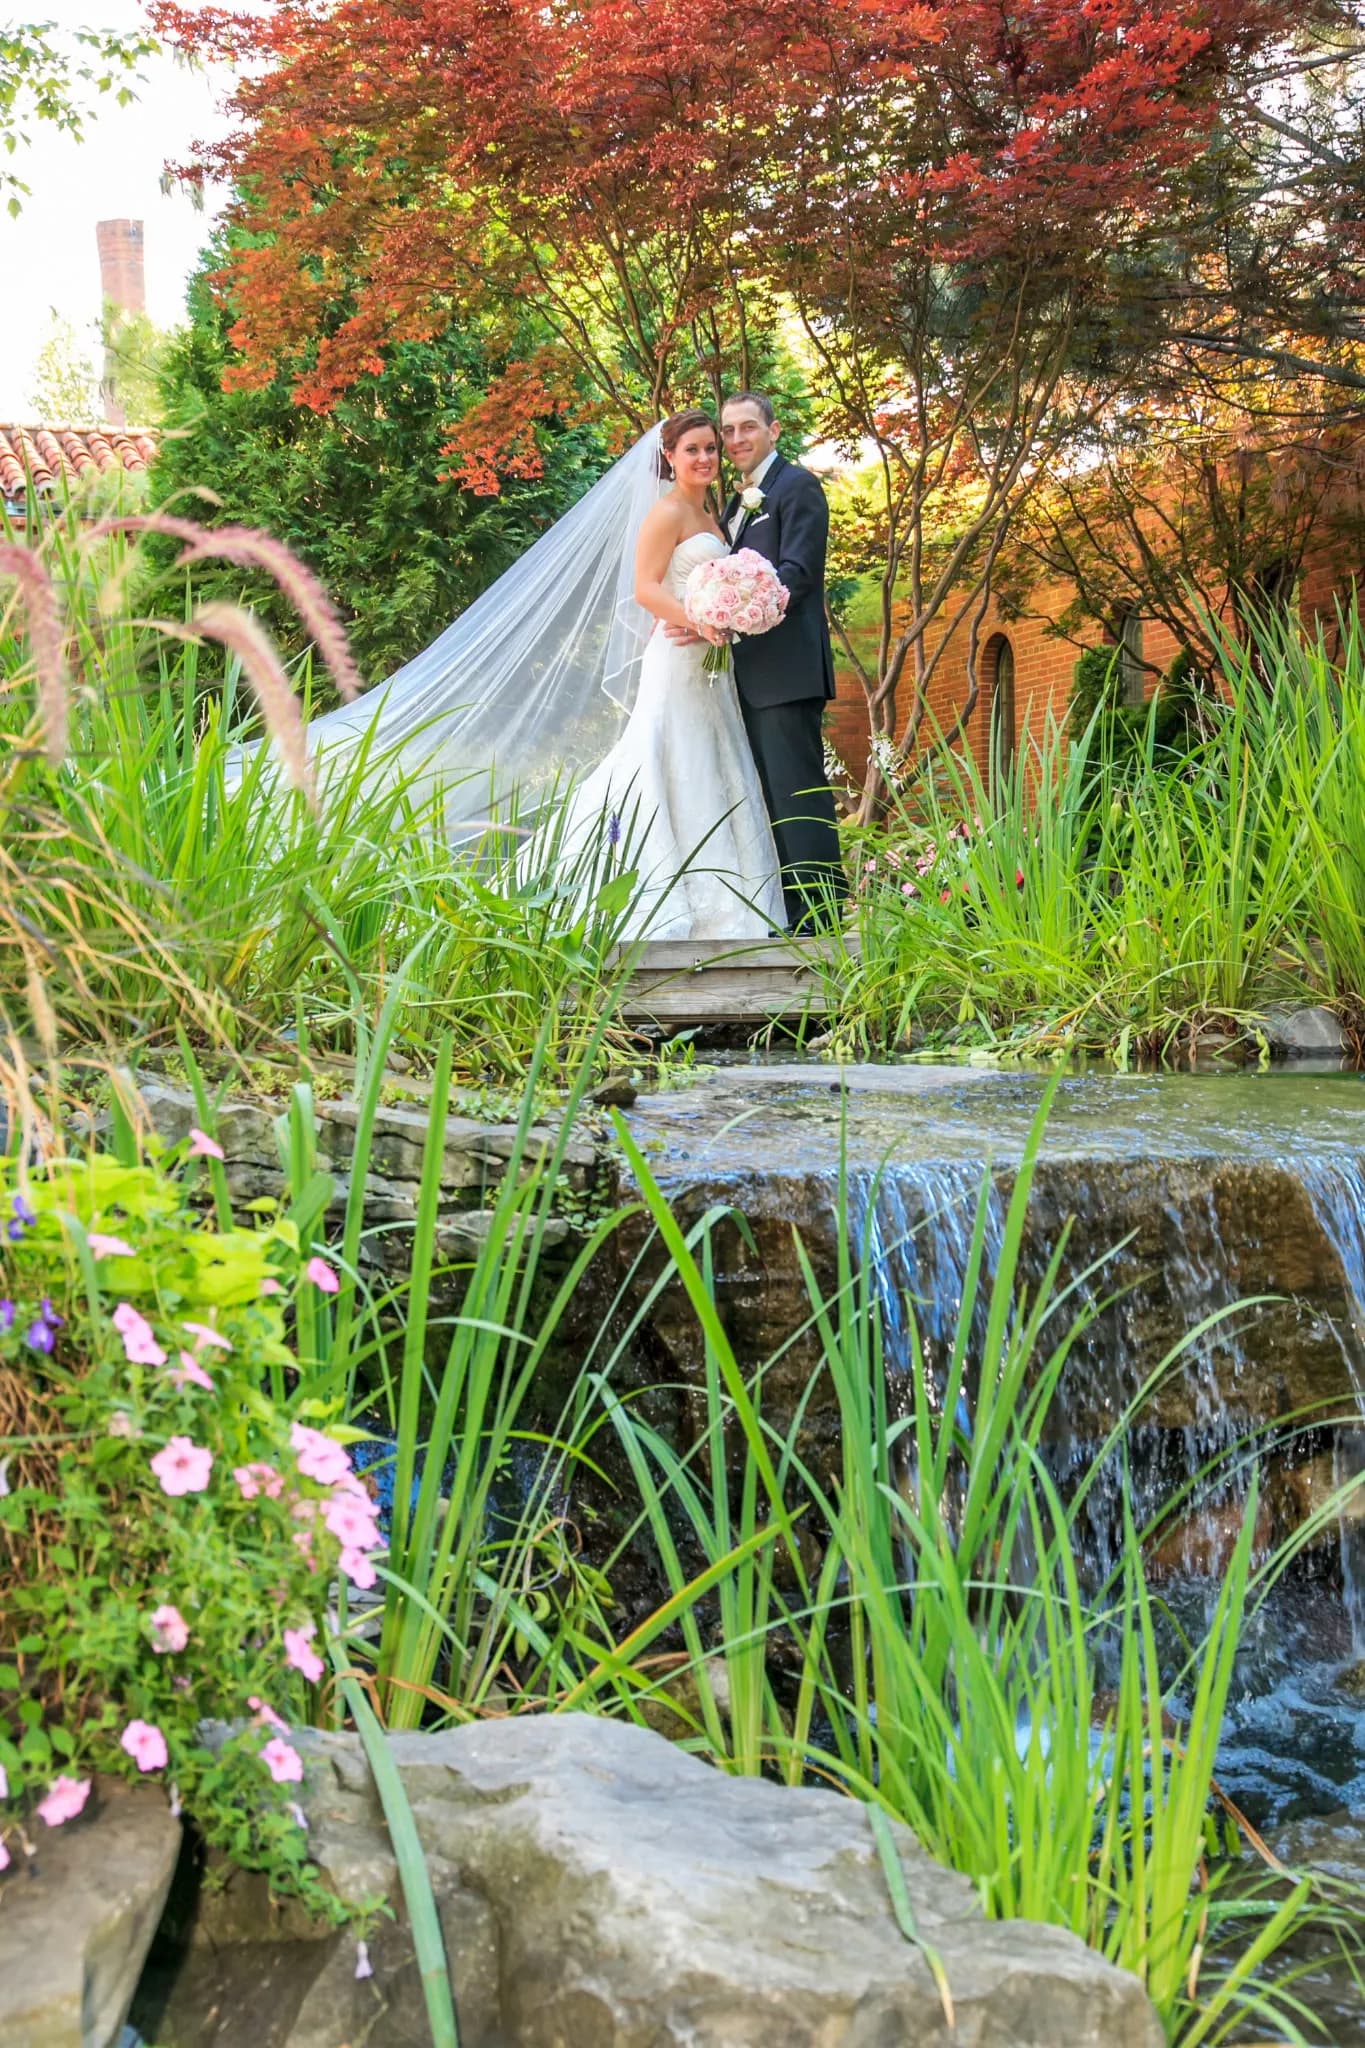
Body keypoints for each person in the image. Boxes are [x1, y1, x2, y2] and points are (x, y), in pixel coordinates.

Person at [550, 408, 785, 940]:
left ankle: (730, 903)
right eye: (692, 449)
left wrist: (725, 621)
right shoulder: (668, 512)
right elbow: (645, 589)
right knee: (669, 758)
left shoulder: (712, 516)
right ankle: (645, 892)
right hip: (679, 655)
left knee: (712, 763)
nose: (704, 458)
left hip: (711, 662)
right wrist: (701, 621)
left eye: (710, 448)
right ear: (670, 456)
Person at [669, 391, 843, 932]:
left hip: (787, 674)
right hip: (746, 675)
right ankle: (791, 914)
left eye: (748, 428)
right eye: (729, 431)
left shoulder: (797, 487)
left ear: (774, 430)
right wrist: (703, 615)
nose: (736, 440)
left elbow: (798, 573)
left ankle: (822, 918)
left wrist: (735, 608)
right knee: (769, 798)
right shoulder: (735, 502)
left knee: (799, 794)